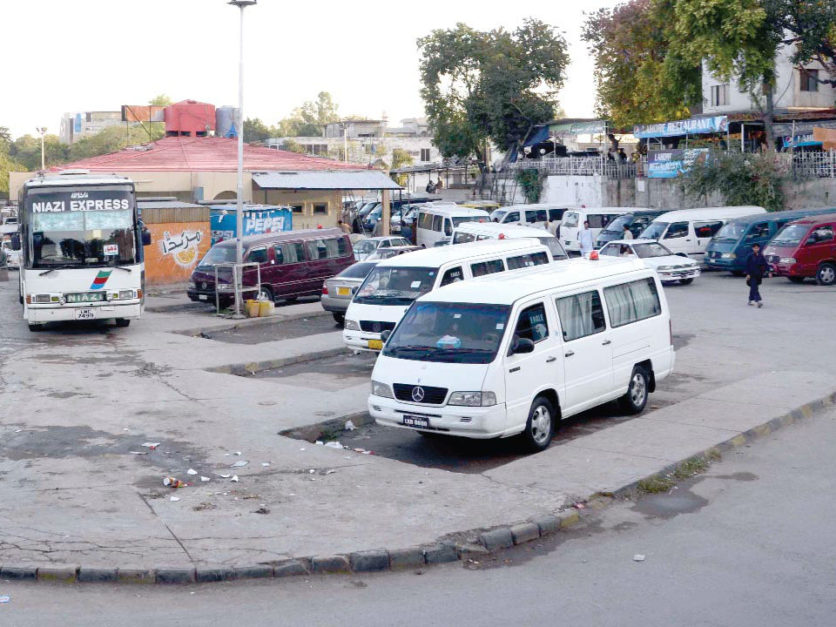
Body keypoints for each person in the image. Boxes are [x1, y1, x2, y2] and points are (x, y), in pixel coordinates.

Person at [745, 242, 770, 308]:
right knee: (754, 287)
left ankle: (750, 300)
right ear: (752, 248)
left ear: (759, 248)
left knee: (754, 287)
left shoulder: (761, 256)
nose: (756, 249)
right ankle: (758, 301)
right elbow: (747, 266)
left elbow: (765, 264)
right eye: (754, 248)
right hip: (751, 274)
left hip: (758, 274)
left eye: (757, 248)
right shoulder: (750, 256)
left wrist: (769, 271)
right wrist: (748, 274)